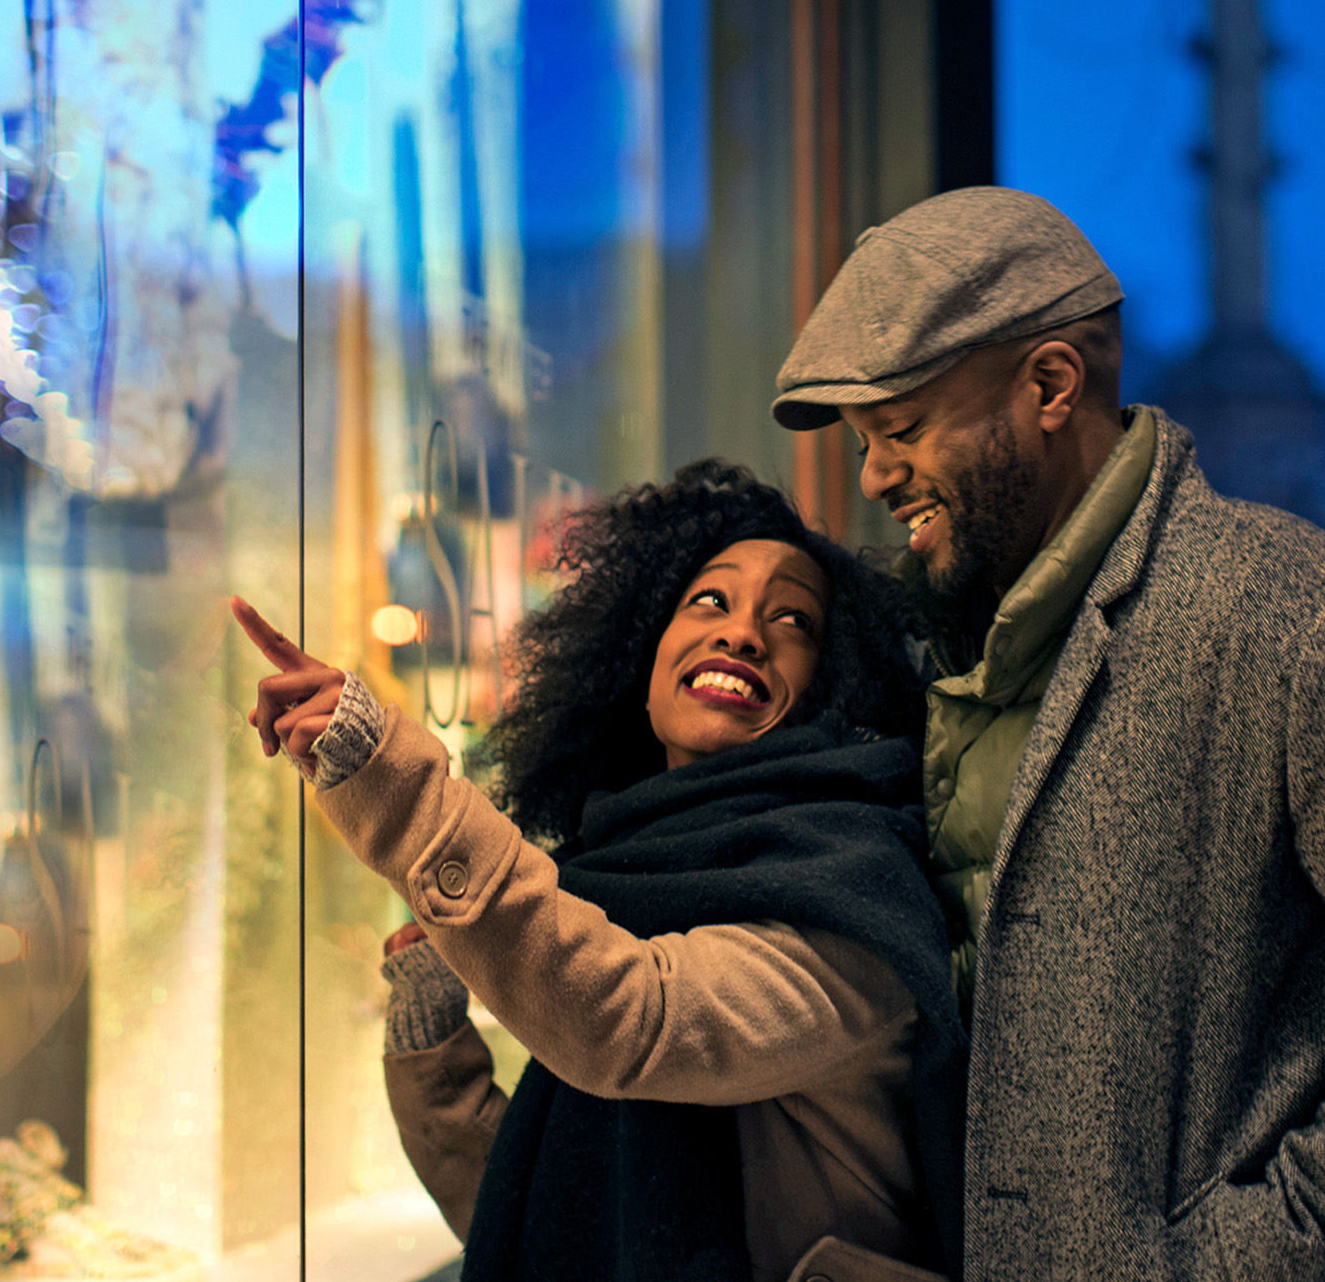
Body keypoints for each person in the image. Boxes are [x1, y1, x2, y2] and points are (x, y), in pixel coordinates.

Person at [772, 186, 1325, 1281]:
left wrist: (1282, 1251)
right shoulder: (951, 651)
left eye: (902, 429)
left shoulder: (1292, 612)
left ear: (1052, 385)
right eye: (867, 440)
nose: (872, 476)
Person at [232, 461, 967, 1282]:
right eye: (709, 600)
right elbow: (540, 1221)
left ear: (836, 686)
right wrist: (434, 1042)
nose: (742, 633)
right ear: (639, 663)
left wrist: (387, 778)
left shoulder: (854, 890)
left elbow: (632, 1020)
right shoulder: (611, 874)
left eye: (792, 619)